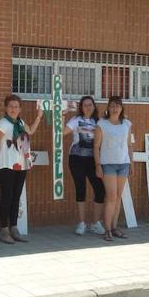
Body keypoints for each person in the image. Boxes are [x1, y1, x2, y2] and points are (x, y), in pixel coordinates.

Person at [0, 94, 43, 244]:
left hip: (21, 164)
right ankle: (4, 229)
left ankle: (14, 227)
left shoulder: (20, 122)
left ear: (20, 109)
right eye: (11, 106)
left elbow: (30, 131)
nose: (13, 109)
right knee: (7, 197)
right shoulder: (3, 124)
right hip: (6, 165)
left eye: (16, 107)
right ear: (6, 108)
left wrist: (39, 117)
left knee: (16, 197)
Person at [63, 96, 105, 236]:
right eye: (85, 105)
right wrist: (62, 117)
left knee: (100, 190)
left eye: (90, 104)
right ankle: (81, 223)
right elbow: (62, 132)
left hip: (93, 160)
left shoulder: (99, 122)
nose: (88, 107)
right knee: (80, 189)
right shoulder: (75, 120)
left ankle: (96, 223)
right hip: (76, 158)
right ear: (81, 107)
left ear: (94, 106)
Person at [93, 96, 133, 241]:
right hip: (108, 164)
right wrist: (98, 165)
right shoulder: (102, 124)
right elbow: (96, 146)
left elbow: (129, 145)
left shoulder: (127, 124)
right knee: (110, 196)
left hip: (123, 164)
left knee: (117, 198)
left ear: (122, 108)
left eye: (117, 105)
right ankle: (107, 229)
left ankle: (115, 227)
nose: (115, 108)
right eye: (112, 106)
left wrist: (131, 162)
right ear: (108, 108)